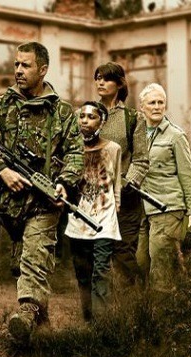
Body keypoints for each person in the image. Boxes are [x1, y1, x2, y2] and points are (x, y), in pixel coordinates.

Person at [0, 41, 84, 345]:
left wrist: (64, 183)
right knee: (24, 263)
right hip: (11, 205)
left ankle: (26, 311)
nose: (18, 70)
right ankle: (42, 335)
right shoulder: (1, 107)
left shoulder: (61, 112)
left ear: (43, 69)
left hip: (45, 203)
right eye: (16, 64)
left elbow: (75, 153)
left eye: (26, 65)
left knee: (35, 253)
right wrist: (2, 170)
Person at [135, 83, 191, 292]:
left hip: (168, 207)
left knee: (161, 267)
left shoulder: (175, 135)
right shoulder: (136, 134)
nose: (157, 107)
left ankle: (162, 316)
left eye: (161, 102)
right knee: (140, 261)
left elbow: (187, 175)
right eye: (152, 103)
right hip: (143, 209)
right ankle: (184, 296)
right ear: (142, 107)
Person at [64, 102, 122, 321]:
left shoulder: (113, 149)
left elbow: (116, 182)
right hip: (78, 221)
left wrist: (116, 205)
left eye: (91, 117)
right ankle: (88, 322)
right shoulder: (72, 150)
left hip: (104, 221)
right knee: (83, 274)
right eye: (82, 117)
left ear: (102, 121)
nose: (85, 121)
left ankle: (103, 325)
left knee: (101, 272)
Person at [93, 62, 149, 287]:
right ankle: (104, 311)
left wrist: (127, 182)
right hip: (96, 196)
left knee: (124, 251)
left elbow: (142, 160)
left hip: (126, 197)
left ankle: (139, 302)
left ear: (119, 84)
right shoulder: (86, 115)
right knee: (99, 254)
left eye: (106, 78)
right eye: (97, 78)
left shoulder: (133, 118)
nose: (100, 82)